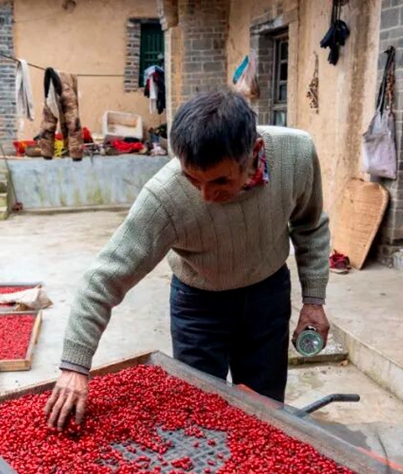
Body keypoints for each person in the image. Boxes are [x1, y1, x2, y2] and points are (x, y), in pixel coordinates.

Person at [45, 89, 331, 429]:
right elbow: (103, 278)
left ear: (254, 152)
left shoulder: (296, 154)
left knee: (264, 409)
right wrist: (74, 367)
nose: (207, 196)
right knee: (199, 414)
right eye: (192, 179)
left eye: (221, 180)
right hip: (199, 306)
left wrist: (313, 300)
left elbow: (310, 225)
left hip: (267, 296)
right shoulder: (165, 196)